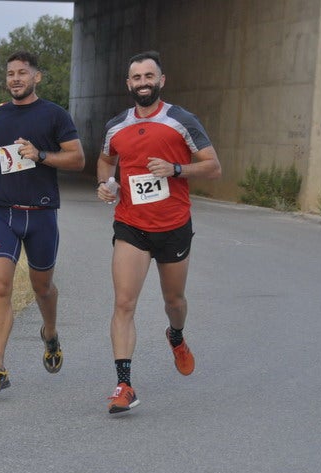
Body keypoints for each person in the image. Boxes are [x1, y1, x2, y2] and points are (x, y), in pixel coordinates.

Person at [96, 50, 221, 413]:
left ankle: (176, 336)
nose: (143, 83)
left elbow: (213, 167)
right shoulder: (116, 125)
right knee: (123, 303)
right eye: (136, 78)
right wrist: (107, 184)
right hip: (131, 225)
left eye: (149, 76)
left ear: (161, 81)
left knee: (174, 302)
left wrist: (176, 169)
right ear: (128, 84)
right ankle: (124, 384)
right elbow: (106, 160)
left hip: (174, 225)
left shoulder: (182, 120)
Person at [0, 50, 85, 396]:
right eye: (10, 74)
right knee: (0, 287)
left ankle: (49, 331)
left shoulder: (54, 115)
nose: (15, 79)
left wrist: (42, 155)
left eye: (22, 73)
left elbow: (78, 159)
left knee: (42, 287)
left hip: (41, 214)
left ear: (37, 77)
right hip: (3, 212)